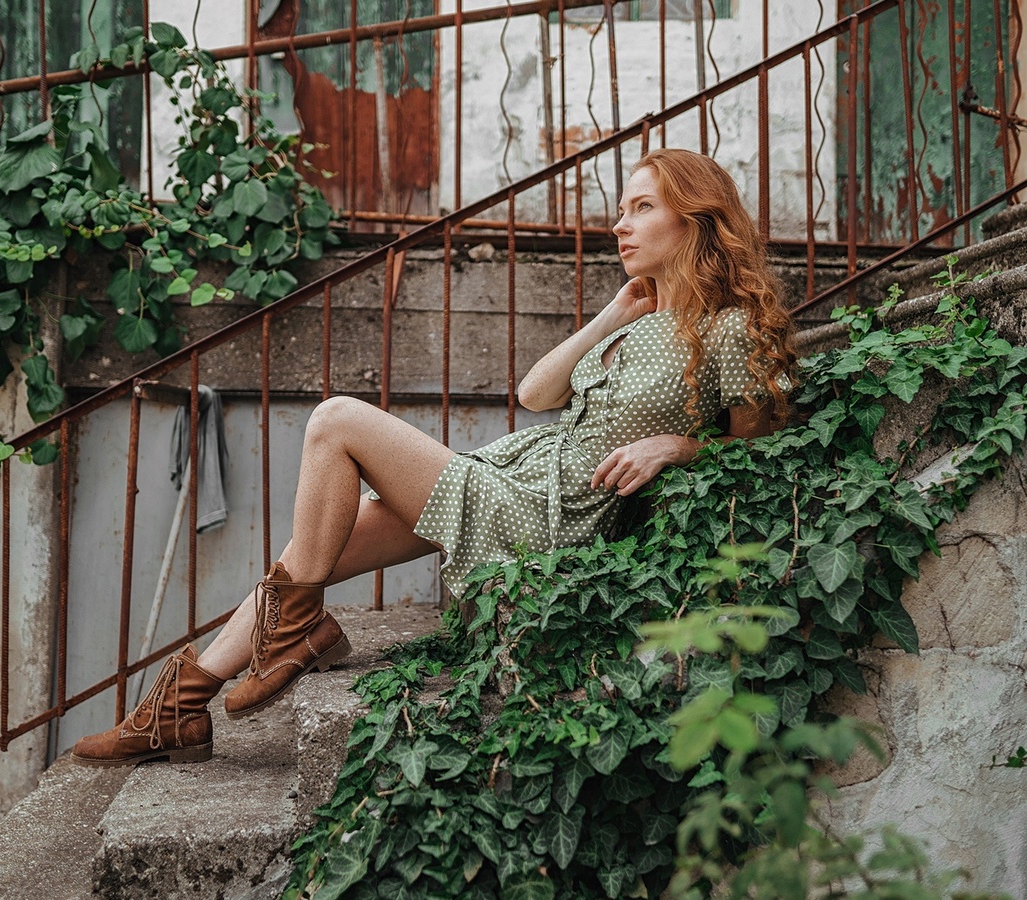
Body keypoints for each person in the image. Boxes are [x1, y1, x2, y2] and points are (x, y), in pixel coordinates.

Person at [72, 148, 797, 767]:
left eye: (642, 207)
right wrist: (614, 312)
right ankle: (183, 703)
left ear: (694, 220)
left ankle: (298, 634)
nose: (619, 222)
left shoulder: (728, 330)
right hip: (518, 476)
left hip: (553, 520)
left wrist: (677, 444)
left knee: (335, 421)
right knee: (311, 548)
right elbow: (536, 392)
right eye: (623, 207)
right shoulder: (637, 321)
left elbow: (760, 446)